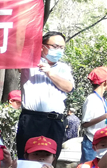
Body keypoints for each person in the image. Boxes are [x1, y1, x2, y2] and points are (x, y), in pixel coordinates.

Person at [16, 31, 74, 159]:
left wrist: (50, 72)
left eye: (62, 47)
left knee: (51, 160)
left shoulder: (64, 68)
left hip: (55, 122)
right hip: (32, 120)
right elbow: (17, 62)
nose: (58, 50)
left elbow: (69, 87)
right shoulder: (29, 62)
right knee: (27, 159)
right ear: (42, 46)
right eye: (55, 46)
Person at [79, 66, 107, 162]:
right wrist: (105, 116)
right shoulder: (92, 99)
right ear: (105, 82)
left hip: (102, 142)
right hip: (92, 143)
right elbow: (85, 124)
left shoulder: (102, 100)